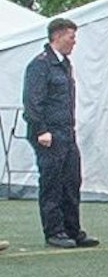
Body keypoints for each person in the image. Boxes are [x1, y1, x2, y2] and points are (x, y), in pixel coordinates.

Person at [23, 17, 94, 250]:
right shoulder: (40, 65)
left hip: (66, 131)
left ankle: (72, 229)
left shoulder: (64, 64)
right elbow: (33, 102)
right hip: (49, 134)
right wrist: (40, 130)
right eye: (71, 37)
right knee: (52, 183)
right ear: (58, 36)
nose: (74, 42)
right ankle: (54, 230)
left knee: (71, 181)